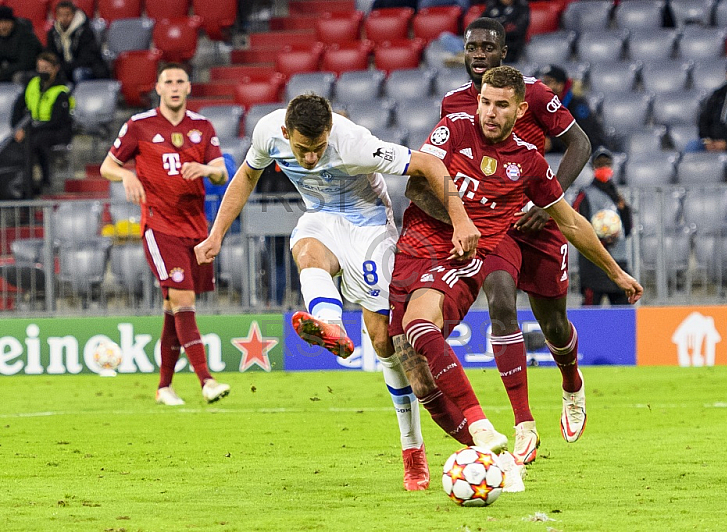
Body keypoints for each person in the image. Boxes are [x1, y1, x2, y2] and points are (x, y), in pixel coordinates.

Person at [194, 93, 479, 491]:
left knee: (384, 340)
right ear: (284, 133)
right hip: (321, 218)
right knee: (306, 251)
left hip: (369, 226)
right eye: (301, 150)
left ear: (330, 132)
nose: (310, 159)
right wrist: (216, 234)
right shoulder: (266, 133)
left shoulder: (356, 144)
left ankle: (412, 446)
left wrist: (460, 220)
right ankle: (331, 326)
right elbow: (245, 176)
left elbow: (430, 164)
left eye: (318, 148)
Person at [389, 66, 642, 478]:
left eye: (501, 105)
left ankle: (492, 425)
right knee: (420, 381)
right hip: (411, 255)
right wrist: (459, 217)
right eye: (485, 102)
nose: (490, 112)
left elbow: (573, 223)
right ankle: (498, 463)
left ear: (520, 108)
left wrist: (616, 273)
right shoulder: (452, 129)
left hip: (459, 262)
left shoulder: (528, 161)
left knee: (422, 327)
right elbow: (416, 185)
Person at [404, 17, 593, 466]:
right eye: (472, 48)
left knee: (554, 326)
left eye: (488, 47)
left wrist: (547, 205)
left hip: (539, 217)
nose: (479, 54)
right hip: (495, 225)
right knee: (502, 301)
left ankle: (571, 381)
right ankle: (524, 423)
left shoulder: (535, 94)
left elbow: (580, 145)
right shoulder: (454, 104)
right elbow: (434, 170)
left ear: (503, 53)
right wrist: (461, 216)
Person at [99, 62, 231, 407]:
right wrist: (126, 176)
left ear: (188, 87)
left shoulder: (202, 126)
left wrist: (205, 169)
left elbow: (220, 173)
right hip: (159, 226)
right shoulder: (139, 125)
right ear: (158, 88)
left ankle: (164, 387)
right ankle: (207, 381)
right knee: (183, 299)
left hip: (196, 228)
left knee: (174, 306)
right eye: (168, 81)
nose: (174, 86)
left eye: (180, 81)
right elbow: (107, 165)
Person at [572, 147, 633, 306]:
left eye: (607, 163)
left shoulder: (617, 195)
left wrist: (624, 210)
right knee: (590, 314)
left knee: (624, 312)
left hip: (618, 263)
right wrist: (602, 240)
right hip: (594, 265)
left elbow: (627, 229)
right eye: (600, 164)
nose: (604, 167)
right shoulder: (584, 195)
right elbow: (577, 227)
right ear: (593, 167)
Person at [10, 52, 74, 195]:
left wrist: (29, 130)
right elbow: (17, 107)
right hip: (35, 128)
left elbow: (57, 121)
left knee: (37, 141)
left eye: (46, 68)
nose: (42, 71)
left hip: (57, 131)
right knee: (16, 142)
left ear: (55, 68)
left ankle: (42, 181)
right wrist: (17, 128)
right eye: (40, 68)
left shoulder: (61, 91)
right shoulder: (33, 84)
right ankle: (19, 181)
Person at [539, 63, 607, 152]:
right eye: (542, 82)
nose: (543, 86)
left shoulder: (577, 105)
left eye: (548, 82)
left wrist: (552, 143)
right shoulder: (546, 105)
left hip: (588, 153)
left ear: (560, 85)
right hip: (562, 152)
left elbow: (583, 135)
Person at [46, 0, 110, 84]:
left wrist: (62, 67)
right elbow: (52, 54)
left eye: (67, 15)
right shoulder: (53, 33)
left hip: (89, 69)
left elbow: (87, 58)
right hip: (65, 69)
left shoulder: (85, 31)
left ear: (74, 14)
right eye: (60, 15)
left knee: (78, 73)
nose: (64, 18)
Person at [0, 6, 43, 83]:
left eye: (6, 22)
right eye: (0, 22)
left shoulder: (25, 35)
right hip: (9, 70)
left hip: (33, 70)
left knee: (18, 77)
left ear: (12, 22)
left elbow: (26, 64)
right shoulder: (2, 36)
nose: (3, 26)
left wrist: (3, 72)